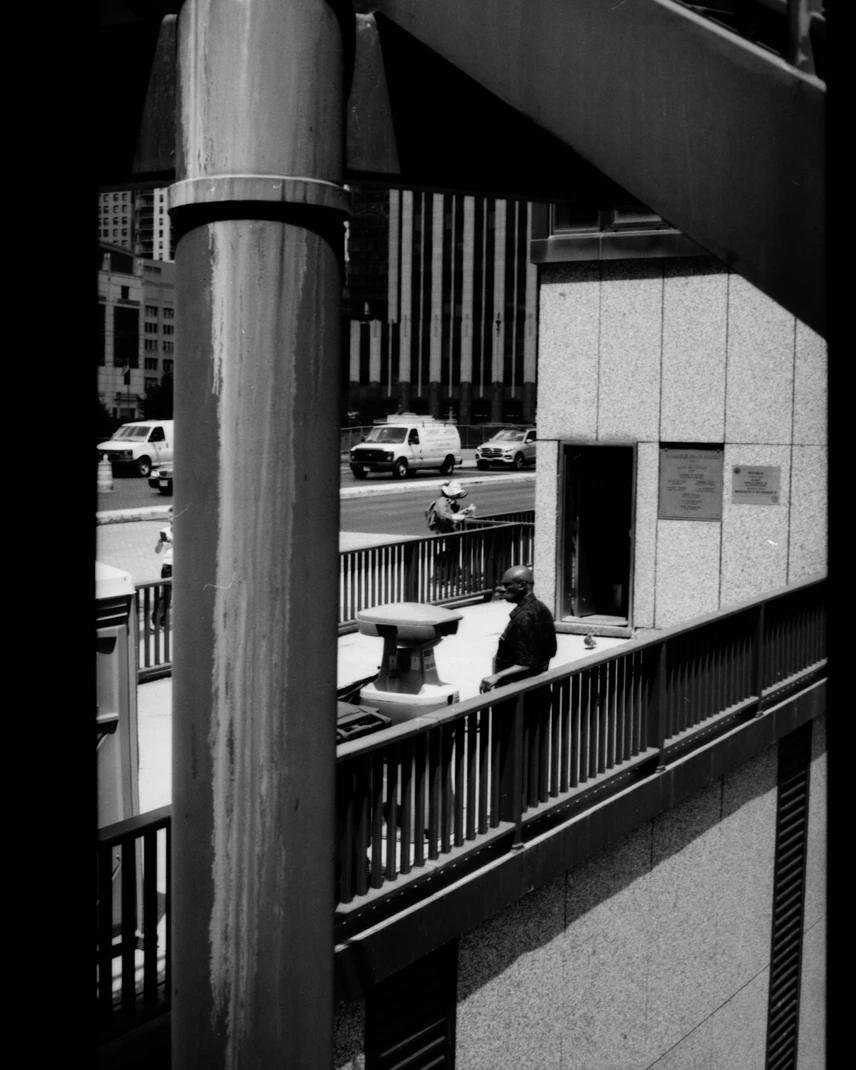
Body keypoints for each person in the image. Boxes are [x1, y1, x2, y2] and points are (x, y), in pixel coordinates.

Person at [479, 565, 557, 693]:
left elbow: (527, 662)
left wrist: (496, 676)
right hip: (536, 686)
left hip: (517, 691)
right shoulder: (541, 608)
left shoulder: (524, 617)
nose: (502, 590)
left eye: (507, 585)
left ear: (521, 585)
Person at [426, 479, 476, 587]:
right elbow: (444, 516)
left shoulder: (448, 502)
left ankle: (451, 574)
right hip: (443, 533)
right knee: (446, 554)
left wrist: (463, 512)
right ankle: (440, 577)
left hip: (449, 533)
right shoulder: (441, 501)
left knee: (453, 552)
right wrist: (459, 516)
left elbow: (450, 515)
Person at [152, 506, 173, 628]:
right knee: (165, 596)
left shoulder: (183, 531)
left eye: (172, 516)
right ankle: (158, 621)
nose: (170, 518)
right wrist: (159, 543)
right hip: (167, 567)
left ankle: (164, 620)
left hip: (179, 567)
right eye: (169, 516)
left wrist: (172, 541)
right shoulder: (164, 530)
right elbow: (157, 551)